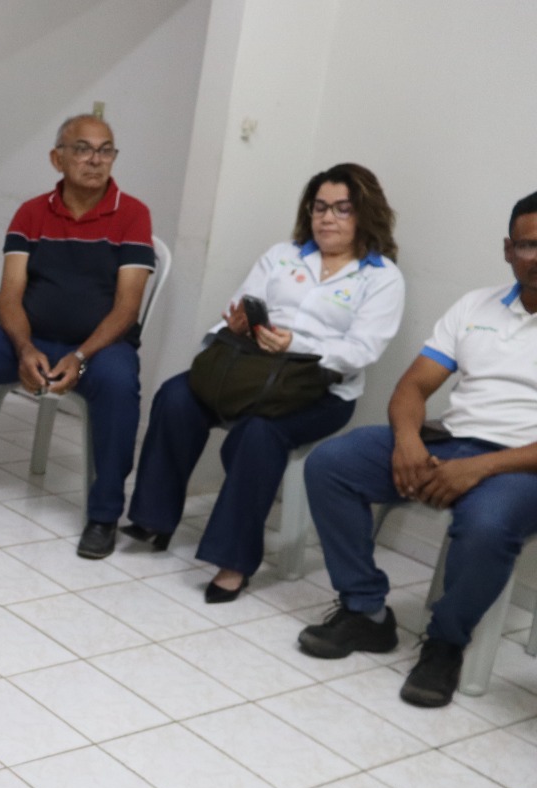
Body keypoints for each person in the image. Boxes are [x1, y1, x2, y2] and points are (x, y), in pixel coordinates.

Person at [296, 190, 537, 707]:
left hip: (522, 464)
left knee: (488, 524)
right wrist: (407, 441)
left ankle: (446, 643)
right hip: (451, 440)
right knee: (332, 464)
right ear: (508, 249)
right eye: (528, 245)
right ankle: (365, 611)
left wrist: (480, 468)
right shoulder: (476, 305)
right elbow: (413, 386)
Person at [122, 164, 405, 602]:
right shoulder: (282, 255)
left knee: (258, 434)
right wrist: (235, 325)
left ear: (366, 214)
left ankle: (233, 562)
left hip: (321, 390)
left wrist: (298, 344)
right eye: (319, 207)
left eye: (342, 209)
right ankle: (153, 519)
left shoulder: (382, 276)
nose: (327, 218)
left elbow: (362, 351)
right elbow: (240, 307)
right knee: (176, 396)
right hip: (253, 371)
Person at [0, 114, 155, 560]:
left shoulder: (133, 214)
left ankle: (104, 515)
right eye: (82, 149)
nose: (95, 160)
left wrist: (81, 356)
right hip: (34, 339)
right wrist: (24, 349)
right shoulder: (30, 213)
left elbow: (127, 308)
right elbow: (10, 295)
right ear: (57, 158)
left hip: (101, 347)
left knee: (120, 384)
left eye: (105, 150)